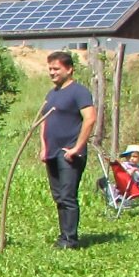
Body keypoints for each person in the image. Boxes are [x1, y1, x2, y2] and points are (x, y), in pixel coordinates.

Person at [39, 51, 96, 249]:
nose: (52, 73)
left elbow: (90, 119)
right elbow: (43, 121)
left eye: (56, 69)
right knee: (58, 196)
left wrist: (77, 147)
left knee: (67, 195)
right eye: (50, 69)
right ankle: (63, 235)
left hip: (69, 153)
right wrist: (43, 147)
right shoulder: (52, 93)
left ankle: (70, 239)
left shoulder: (79, 92)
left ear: (69, 69)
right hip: (52, 152)